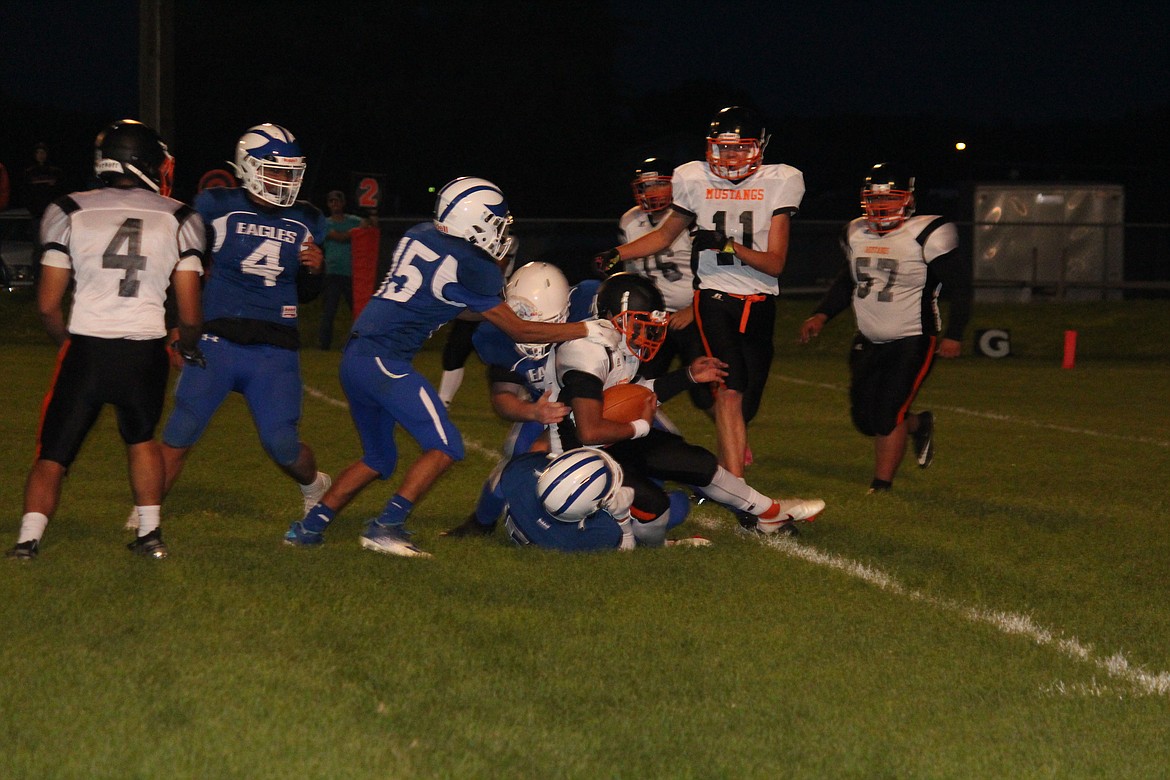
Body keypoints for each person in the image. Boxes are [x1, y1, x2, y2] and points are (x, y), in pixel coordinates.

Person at [283, 177, 621, 558]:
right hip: (385, 360)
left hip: (356, 357)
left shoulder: (420, 233)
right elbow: (519, 329)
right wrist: (586, 327)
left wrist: (494, 310)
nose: (499, 228)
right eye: (494, 220)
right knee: (446, 447)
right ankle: (386, 528)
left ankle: (308, 529)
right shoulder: (474, 264)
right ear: (472, 221)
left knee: (378, 459)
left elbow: (446, 300)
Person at [7, 120, 204, 560]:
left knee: (53, 453)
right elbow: (190, 314)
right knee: (142, 440)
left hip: (88, 348)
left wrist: (67, 343)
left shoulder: (68, 208)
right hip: (144, 350)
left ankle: (27, 540)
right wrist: (185, 343)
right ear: (146, 162)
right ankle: (151, 535)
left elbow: (46, 305)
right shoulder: (181, 216)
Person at [140, 124, 332, 528]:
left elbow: (307, 293)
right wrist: (179, 326)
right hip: (216, 338)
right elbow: (186, 269)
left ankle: (315, 485)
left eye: (290, 172)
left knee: (281, 443)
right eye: (276, 170)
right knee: (182, 428)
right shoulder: (215, 206)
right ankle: (147, 514)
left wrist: (315, 272)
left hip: (275, 344)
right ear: (248, 167)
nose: (285, 181)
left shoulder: (307, 219)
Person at [595, 107, 803, 478]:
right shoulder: (695, 178)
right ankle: (735, 483)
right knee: (729, 392)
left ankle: (730, 470)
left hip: (759, 300)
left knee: (745, 401)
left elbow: (774, 265)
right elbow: (662, 236)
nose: (731, 157)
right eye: (724, 149)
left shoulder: (780, 180)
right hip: (714, 297)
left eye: (740, 148)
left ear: (759, 147)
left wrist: (728, 246)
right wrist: (617, 254)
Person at [546, 272, 825, 539]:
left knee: (697, 461)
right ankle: (644, 544)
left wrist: (689, 375)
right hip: (580, 457)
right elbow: (589, 432)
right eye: (639, 320)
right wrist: (641, 427)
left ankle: (768, 512)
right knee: (659, 506)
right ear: (610, 316)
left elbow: (635, 394)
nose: (648, 329)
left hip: (615, 439)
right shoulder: (587, 350)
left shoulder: (621, 345)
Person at [798, 163, 972, 492]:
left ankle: (881, 486)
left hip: (912, 339)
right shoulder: (854, 231)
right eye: (874, 199)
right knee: (865, 419)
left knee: (887, 414)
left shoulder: (926, 232)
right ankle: (918, 423)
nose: (881, 206)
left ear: (908, 199)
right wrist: (821, 315)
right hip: (867, 338)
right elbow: (848, 280)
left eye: (890, 199)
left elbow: (960, 288)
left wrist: (954, 334)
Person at [441, 262, 597, 537]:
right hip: (549, 404)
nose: (531, 332)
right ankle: (482, 522)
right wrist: (532, 412)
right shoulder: (497, 336)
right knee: (516, 452)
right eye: (523, 324)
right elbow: (503, 395)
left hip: (603, 401)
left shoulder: (589, 304)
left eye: (542, 325)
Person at [613, 156, 710, 415]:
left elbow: (711, 272)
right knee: (638, 385)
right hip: (652, 320)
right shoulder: (629, 221)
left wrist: (693, 309)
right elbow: (631, 275)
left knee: (706, 391)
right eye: (645, 186)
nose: (651, 192)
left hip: (692, 315)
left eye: (658, 184)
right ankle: (635, 436)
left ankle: (734, 443)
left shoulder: (690, 218)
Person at [501, 447, 709, 551]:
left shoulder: (518, 474)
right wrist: (622, 520)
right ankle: (668, 544)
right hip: (561, 531)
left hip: (535, 522)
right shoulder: (597, 533)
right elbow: (625, 551)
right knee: (678, 505)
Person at [317, 190, 363, 350]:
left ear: (343, 203)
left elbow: (368, 225)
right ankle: (324, 345)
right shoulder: (325, 222)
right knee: (329, 312)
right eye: (331, 201)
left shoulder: (353, 220)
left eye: (337, 201)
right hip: (333, 273)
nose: (334, 204)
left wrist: (371, 218)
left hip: (351, 273)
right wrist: (354, 232)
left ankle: (361, 343)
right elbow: (339, 237)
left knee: (358, 311)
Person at [22, 142, 67, 279]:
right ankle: (37, 279)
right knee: (38, 248)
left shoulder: (55, 172)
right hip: (37, 216)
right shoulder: (29, 172)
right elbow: (25, 193)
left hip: (53, 217)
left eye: (43, 152)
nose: (41, 155)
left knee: (54, 248)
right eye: (38, 152)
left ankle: (54, 279)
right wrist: (33, 210)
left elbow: (61, 192)